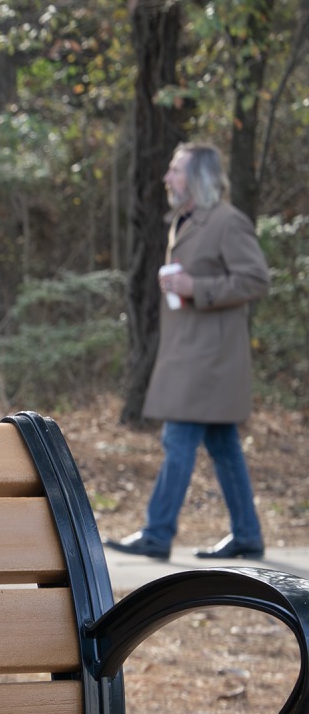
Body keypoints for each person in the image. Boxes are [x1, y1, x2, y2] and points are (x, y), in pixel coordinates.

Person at [105, 142, 271, 562]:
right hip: (191, 354)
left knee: (177, 438)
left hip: (210, 361)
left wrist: (197, 288)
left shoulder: (228, 222)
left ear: (197, 177)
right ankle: (247, 535)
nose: (167, 178)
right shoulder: (185, 221)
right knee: (222, 444)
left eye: (176, 170)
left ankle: (157, 533)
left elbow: (256, 279)